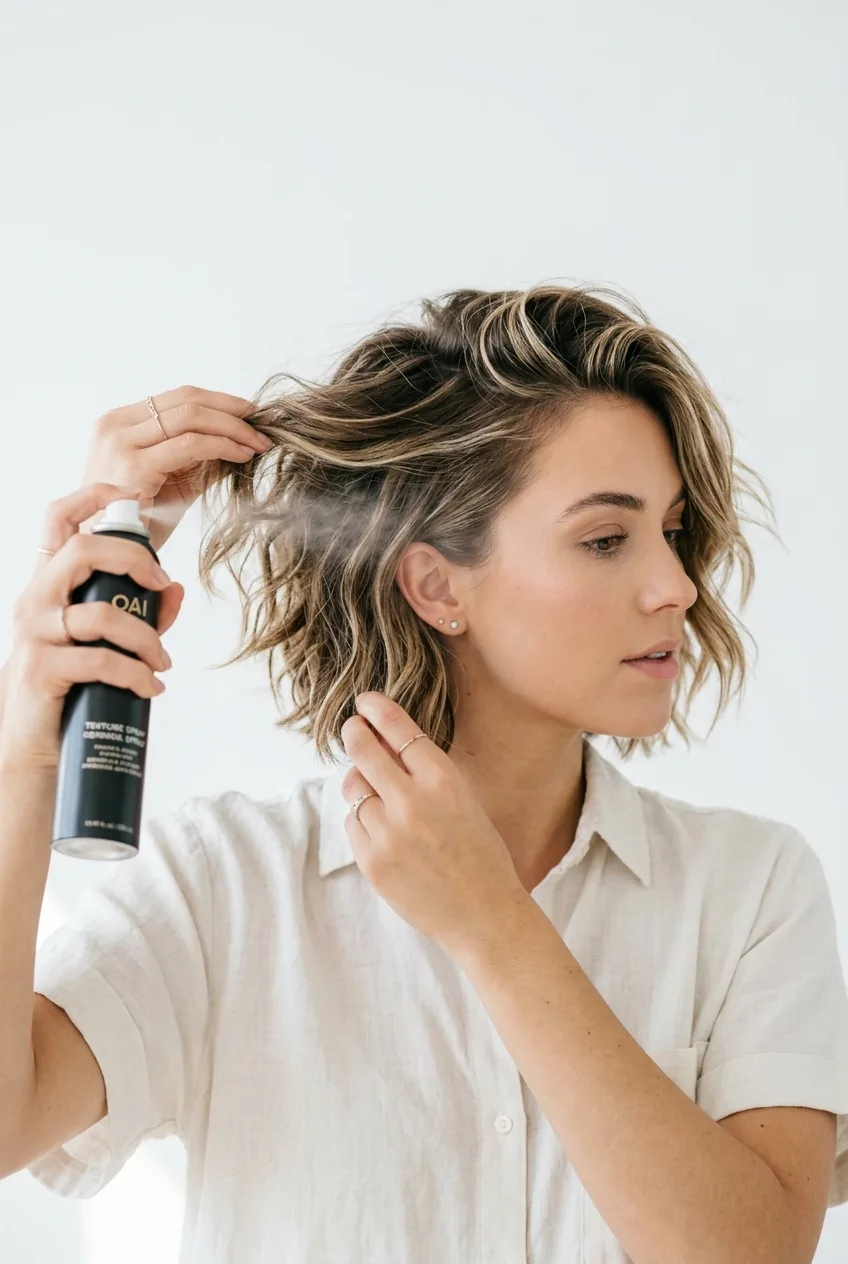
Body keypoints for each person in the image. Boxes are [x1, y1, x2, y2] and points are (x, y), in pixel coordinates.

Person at [1, 282, 847, 1264]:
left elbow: (744, 1252)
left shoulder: (748, 889)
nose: (673, 585)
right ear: (436, 584)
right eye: (606, 538)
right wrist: (26, 753)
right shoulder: (225, 886)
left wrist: (491, 924)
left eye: (669, 529)